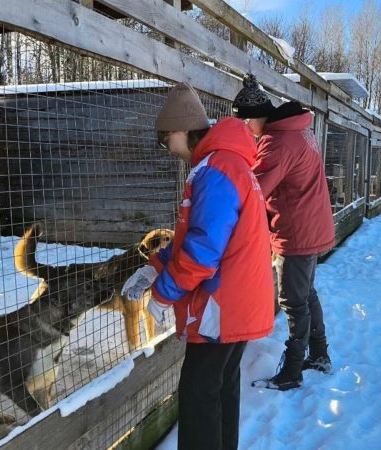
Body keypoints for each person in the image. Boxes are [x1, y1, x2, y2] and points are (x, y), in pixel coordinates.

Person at [121, 82, 273, 450]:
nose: (167, 149)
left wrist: (162, 293)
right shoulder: (227, 163)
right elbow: (198, 235)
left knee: (198, 396)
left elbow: (203, 251)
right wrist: (155, 266)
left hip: (222, 305)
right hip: (238, 301)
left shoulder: (216, 169)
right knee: (220, 387)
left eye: (165, 140)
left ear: (182, 131)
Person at [232, 74, 335, 391]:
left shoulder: (278, 142)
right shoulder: (300, 130)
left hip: (297, 231)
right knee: (306, 293)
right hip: (312, 223)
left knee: (292, 300)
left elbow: (255, 189)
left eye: (246, 123)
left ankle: (291, 371)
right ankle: (319, 354)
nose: (246, 130)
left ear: (254, 118)